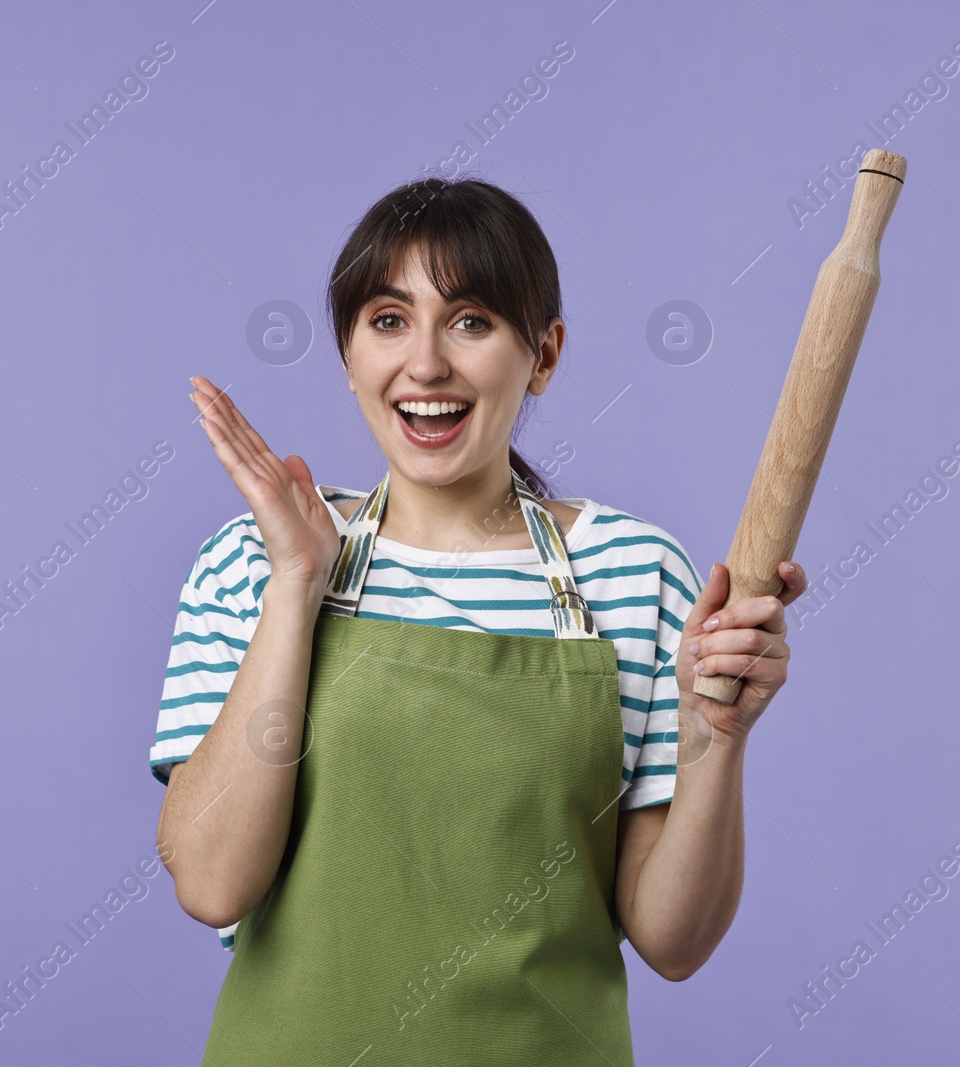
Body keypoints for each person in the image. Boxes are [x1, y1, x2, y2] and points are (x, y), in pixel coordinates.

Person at [151, 176, 807, 1065]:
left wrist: (716, 735)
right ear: (348, 356)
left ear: (543, 353)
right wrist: (297, 584)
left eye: (470, 320)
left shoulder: (634, 574)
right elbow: (213, 880)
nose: (425, 364)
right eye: (388, 320)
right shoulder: (251, 560)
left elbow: (674, 941)